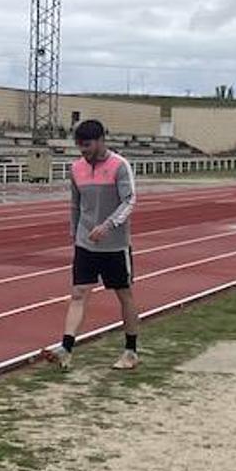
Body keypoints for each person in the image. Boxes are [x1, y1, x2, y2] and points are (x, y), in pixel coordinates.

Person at [51, 118, 139, 370]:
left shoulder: (119, 166)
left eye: (87, 145)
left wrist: (108, 225)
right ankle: (66, 348)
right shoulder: (76, 168)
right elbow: (75, 204)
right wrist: (74, 231)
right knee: (78, 293)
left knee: (124, 295)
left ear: (101, 140)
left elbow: (130, 201)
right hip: (85, 244)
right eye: (80, 147)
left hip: (114, 245)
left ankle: (131, 351)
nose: (84, 151)